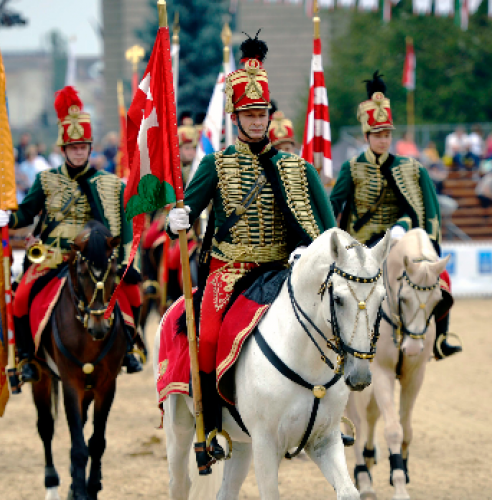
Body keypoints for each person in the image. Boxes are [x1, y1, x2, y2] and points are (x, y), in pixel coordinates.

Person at [165, 34, 335, 467]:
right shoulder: (215, 165)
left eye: (262, 114)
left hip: (281, 269)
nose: (258, 122)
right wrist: (175, 220)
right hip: (230, 271)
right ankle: (211, 430)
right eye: (249, 114)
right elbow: (187, 212)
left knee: (334, 319)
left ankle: (334, 417)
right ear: (235, 117)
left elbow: (329, 231)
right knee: (205, 341)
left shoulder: (297, 169)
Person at [0, 86, 144, 383]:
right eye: (73, 147)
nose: (79, 152)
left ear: (90, 148)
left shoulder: (111, 184)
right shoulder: (45, 180)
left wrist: (127, 261)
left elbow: (125, 227)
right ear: (63, 150)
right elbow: (26, 213)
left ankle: (130, 347)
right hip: (52, 256)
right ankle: (26, 356)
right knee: (22, 295)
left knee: (133, 292)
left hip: (96, 258)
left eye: (83, 147)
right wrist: (7, 217)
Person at [330, 71, 460, 361]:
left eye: (387, 134)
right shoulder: (351, 168)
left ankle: (440, 339)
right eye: (377, 135)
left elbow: (426, 211)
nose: (383, 140)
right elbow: (334, 204)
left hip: (400, 243)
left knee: (443, 281)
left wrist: (407, 229)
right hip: (361, 246)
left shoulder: (411, 168)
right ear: (367, 136)